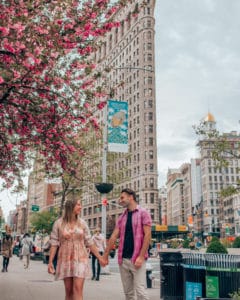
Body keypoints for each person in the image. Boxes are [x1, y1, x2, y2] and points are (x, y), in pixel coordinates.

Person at [48, 198, 106, 300]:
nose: (81, 207)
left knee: (78, 289)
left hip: (81, 258)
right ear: (71, 207)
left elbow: (89, 242)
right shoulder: (58, 223)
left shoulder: (82, 223)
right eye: (78, 205)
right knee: (69, 291)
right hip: (65, 258)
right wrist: (50, 262)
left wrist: (100, 257)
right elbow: (54, 243)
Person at [103, 188, 152, 300]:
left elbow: (147, 236)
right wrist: (105, 255)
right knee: (128, 294)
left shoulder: (143, 213)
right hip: (123, 260)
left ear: (131, 197)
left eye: (122, 197)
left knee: (141, 293)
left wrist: (140, 256)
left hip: (137, 259)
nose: (120, 200)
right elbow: (114, 236)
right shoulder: (122, 217)